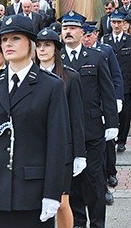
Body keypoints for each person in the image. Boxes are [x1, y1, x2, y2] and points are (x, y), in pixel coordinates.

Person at [0, 15, 70, 228]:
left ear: (30, 45)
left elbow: (57, 144)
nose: (8, 44)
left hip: (32, 192)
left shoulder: (50, 86)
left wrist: (52, 193)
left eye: (15, 38)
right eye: (4, 40)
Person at [59, 11, 118, 228]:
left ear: (83, 33)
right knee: (72, 182)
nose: (68, 32)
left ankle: (97, 223)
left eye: (72, 28)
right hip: (67, 131)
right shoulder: (57, 59)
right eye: (65, 28)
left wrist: (112, 123)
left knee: (94, 180)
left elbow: (107, 92)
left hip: (92, 129)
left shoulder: (95, 57)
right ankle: (77, 223)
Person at [35, 28, 86, 228]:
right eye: (38, 45)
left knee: (62, 202)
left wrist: (79, 153)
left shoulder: (70, 78)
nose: (42, 49)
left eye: (47, 45)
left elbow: (77, 117)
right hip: (36, 147)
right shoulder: (30, 77)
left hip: (63, 148)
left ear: (56, 49)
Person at [81, 23, 124, 206]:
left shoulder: (104, 52)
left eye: (89, 34)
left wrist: (117, 99)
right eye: (84, 35)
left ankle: (109, 176)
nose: (86, 38)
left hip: (102, 106)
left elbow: (115, 76)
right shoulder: (75, 55)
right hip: (86, 110)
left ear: (96, 34)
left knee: (106, 147)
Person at [102, 10, 131, 151]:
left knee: (125, 115)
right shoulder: (105, 40)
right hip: (109, 84)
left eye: (119, 22)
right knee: (112, 114)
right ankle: (112, 139)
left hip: (126, 83)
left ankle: (122, 141)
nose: (116, 25)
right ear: (110, 23)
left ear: (124, 23)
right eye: (114, 22)